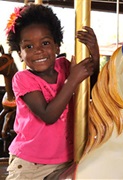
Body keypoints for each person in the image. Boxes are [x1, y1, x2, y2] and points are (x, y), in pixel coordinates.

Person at [5, 3, 99, 180]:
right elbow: (48, 115)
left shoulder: (64, 66)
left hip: (66, 159)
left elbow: (92, 84)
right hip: (31, 165)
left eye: (45, 43)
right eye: (29, 47)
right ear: (20, 53)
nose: (38, 50)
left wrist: (94, 52)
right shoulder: (23, 79)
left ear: (57, 46)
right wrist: (71, 81)